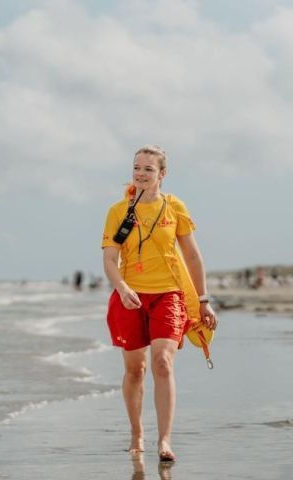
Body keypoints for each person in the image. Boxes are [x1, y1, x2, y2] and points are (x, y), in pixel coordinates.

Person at [101, 145, 217, 462]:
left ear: (162, 174)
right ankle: (136, 433)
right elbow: (110, 258)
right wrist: (122, 287)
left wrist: (203, 299)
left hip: (169, 294)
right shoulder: (117, 211)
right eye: (136, 167)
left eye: (148, 169)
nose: (140, 173)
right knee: (135, 370)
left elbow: (192, 256)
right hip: (130, 297)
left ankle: (164, 440)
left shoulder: (174, 207)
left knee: (163, 362)